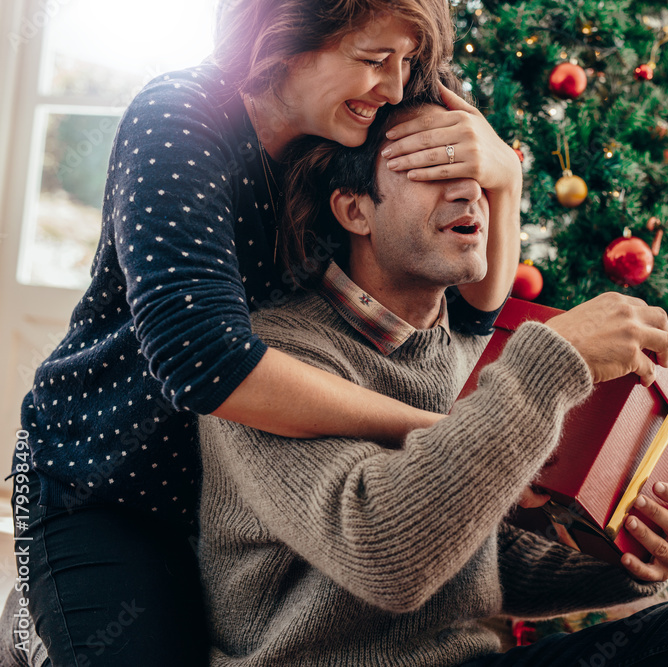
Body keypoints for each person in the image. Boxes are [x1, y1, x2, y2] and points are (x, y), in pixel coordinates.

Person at [196, 82, 668, 666]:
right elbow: (389, 559)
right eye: (434, 172)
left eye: (479, 174)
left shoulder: (458, 350)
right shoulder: (274, 359)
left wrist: (629, 558)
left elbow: (483, 562)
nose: (469, 195)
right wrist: (553, 362)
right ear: (356, 211)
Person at [8, 1, 524, 664]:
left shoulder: (344, 131)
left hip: (234, 506)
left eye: (406, 63)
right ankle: (39, 617)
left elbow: (476, 302)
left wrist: (505, 179)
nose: (396, 87)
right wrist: (433, 433)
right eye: (373, 60)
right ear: (283, 39)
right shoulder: (181, 118)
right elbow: (204, 360)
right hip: (100, 485)